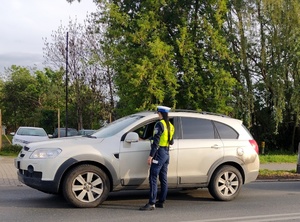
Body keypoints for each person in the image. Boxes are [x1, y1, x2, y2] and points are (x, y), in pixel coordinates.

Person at [139, 105, 175, 211]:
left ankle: (151, 203)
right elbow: (171, 141)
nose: (157, 115)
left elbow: (156, 142)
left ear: (160, 114)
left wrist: (151, 156)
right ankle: (161, 201)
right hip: (167, 153)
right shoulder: (171, 126)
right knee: (163, 178)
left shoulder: (159, 124)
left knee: (153, 177)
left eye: (158, 113)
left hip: (159, 153)